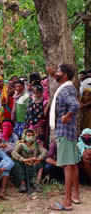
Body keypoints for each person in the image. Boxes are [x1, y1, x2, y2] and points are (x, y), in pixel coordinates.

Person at [48, 64, 80, 211]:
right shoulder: (68, 86)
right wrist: (54, 74)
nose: (57, 75)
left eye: (59, 72)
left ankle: (67, 202)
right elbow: (61, 82)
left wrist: (67, 116)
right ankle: (75, 195)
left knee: (67, 166)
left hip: (64, 132)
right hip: (70, 132)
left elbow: (74, 105)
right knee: (72, 164)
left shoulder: (66, 89)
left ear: (65, 75)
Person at [11, 129, 46, 193]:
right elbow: (13, 152)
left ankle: (37, 183)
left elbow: (44, 151)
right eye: (28, 135)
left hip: (33, 165)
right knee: (16, 162)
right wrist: (23, 159)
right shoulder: (21, 145)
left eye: (32, 135)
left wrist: (39, 158)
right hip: (23, 166)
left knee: (40, 163)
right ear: (24, 136)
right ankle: (23, 184)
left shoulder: (37, 144)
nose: (30, 137)